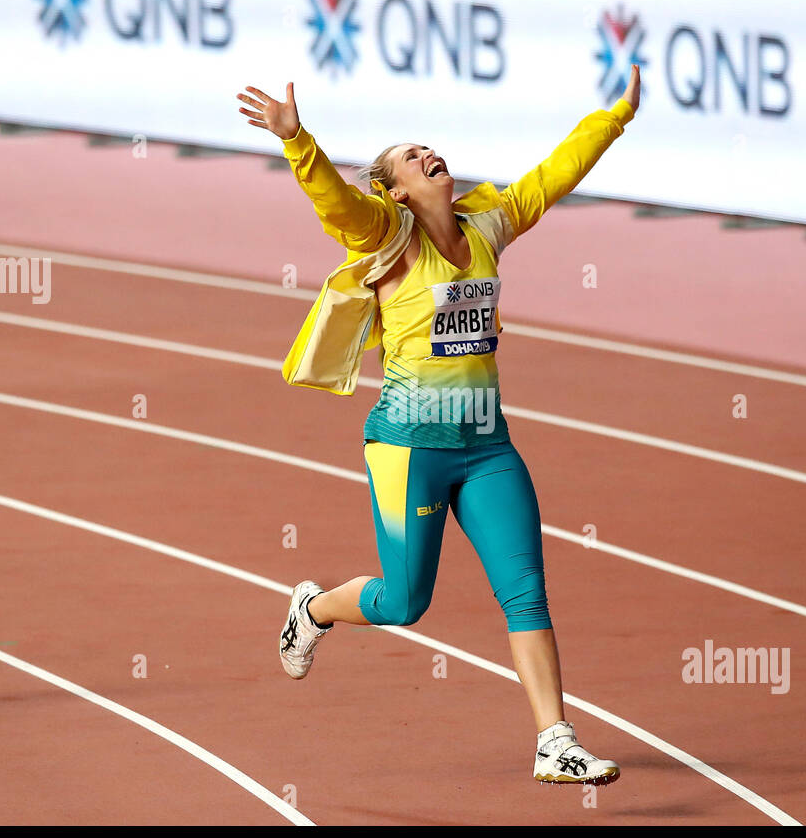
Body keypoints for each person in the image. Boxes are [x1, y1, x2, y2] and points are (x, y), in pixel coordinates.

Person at [236, 65, 641, 785]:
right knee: (405, 602)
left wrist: (615, 118)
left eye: (430, 148)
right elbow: (337, 206)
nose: (428, 156)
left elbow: (551, 176)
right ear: (394, 189)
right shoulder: (386, 237)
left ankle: (555, 739)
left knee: (525, 593)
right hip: (409, 449)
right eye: (410, 157)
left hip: (486, 447)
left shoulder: (487, 225)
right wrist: (298, 142)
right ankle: (316, 607)